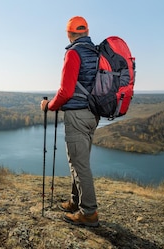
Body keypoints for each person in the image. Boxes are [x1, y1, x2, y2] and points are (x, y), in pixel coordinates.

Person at [40, 15, 100, 227]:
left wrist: (50, 105)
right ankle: (76, 202)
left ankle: (89, 212)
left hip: (77, 115)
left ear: (70, 33)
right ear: (86, 32)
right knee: (80, 160)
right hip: (93, 114)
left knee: (79, 164)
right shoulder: (96, 52)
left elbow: (66, 92)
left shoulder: (74, 52)